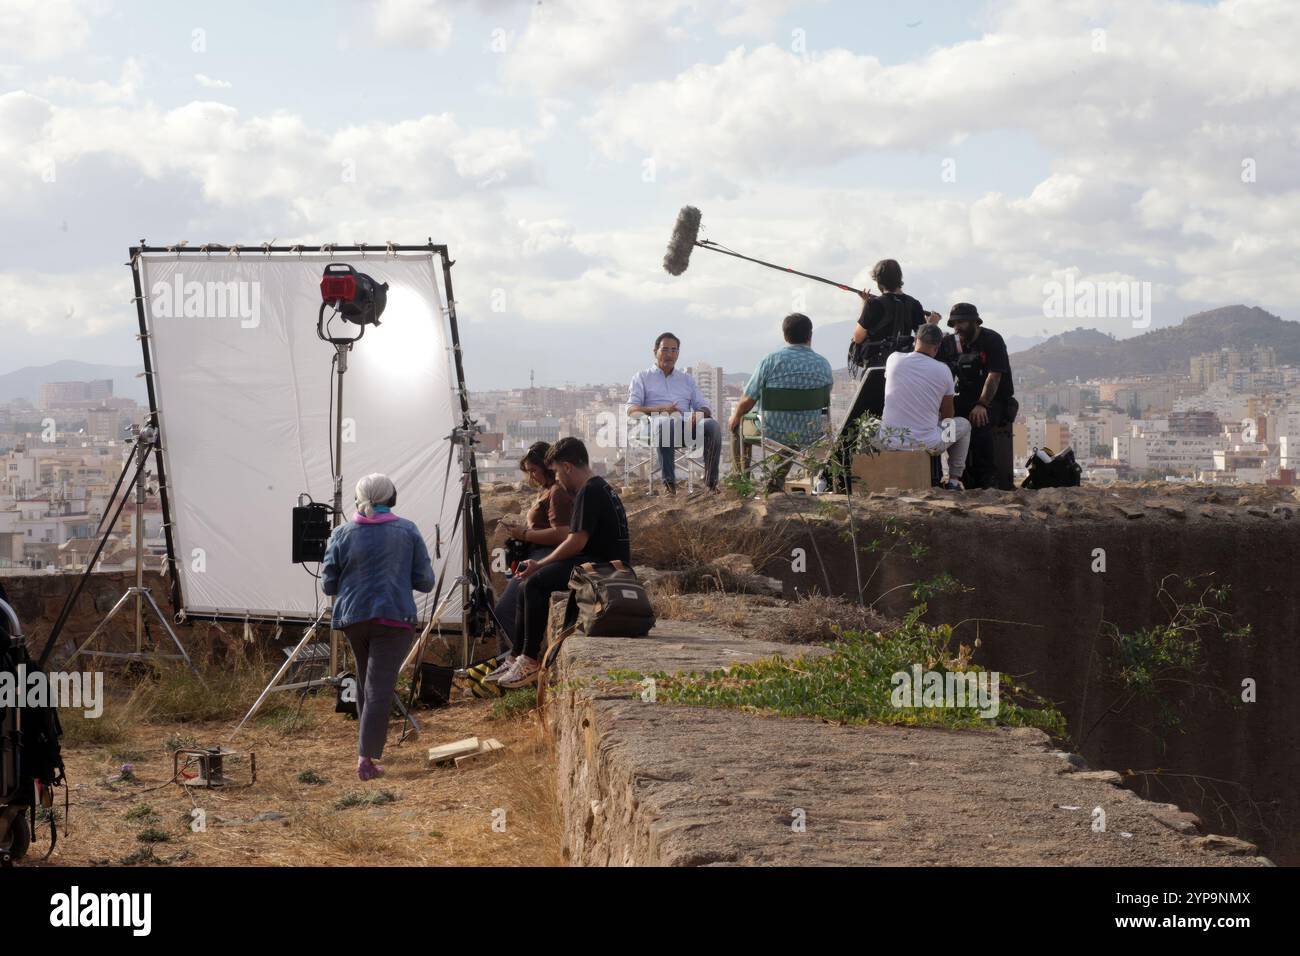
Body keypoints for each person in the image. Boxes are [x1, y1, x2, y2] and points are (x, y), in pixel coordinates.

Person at [321, 473, 435, 781]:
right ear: (392, 498)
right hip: (393, 618)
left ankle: (365, 750)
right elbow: (426, 582)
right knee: (377, 690)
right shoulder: (407, 530)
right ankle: (365, 759)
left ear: (358, 500)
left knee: (365, 684)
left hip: (353, 618)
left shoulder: (341, 533)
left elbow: (328, 583)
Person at [497, 437, 630, 689]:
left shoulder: (588, 491)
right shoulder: (601, 487)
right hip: (602, 562)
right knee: (528, 586)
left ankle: (529, 659)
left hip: (601, 568)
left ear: (568, 466)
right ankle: (517, 656)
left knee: (534, 583)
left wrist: (542, 562)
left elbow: (575, 541)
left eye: (557, 470)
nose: (557, 477)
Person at [484, 442, 573, 682]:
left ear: (547, 466)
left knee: (506, 611)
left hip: (544, 555)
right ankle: (514, 662)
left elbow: (563, 533)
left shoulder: (557, 492)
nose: (531, 476)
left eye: (534, 470)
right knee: (510, 610)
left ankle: (519, 664)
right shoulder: (548, 490)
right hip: (536, 553)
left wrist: (524, 534)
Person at [727, 313, 834, 492]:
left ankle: (740, 483)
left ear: (785, 336)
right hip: (810, 431)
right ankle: (774, 483)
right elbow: (825, 397)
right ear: (810, 335)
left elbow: (748, 399)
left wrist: (736, 416)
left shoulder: (770, 361)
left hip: (773, 431)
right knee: (792, 436)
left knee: (737, 427)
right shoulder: (823, 364)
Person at [627, 332, 722, 495]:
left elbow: (705, 407)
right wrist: (662, 410)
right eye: (665, 350)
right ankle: (669, 485)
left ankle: (710, 484)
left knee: (712, 426)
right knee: (667, 423)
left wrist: (698, 414)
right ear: (655, 351)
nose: (669, 354)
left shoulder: (686, 380)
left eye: (674, 350)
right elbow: (631, 410)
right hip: (655, 426)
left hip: (686, 427)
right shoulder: (642, 377)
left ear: (678, 353)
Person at [880, 323, 970, 490]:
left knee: (869, 426)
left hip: (888, 441)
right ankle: (954, 481)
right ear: (938, 347)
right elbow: (948, 414)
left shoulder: (893, 359)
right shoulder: (943, 371)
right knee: (964, 425)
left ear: (916, 340)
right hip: (928, 444)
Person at [936, 303, 1016, 489]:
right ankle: (951, 476)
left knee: (980, 423)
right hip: (963, 397)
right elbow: (939, 372)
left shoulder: (992, 340)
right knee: (947, 425)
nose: (957, 327)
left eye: (962, 322)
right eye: (954, 323)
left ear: (974, 322)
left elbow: (994, 376)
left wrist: (982, 404)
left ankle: (986, 478)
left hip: (993, 399)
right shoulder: (949, 344)